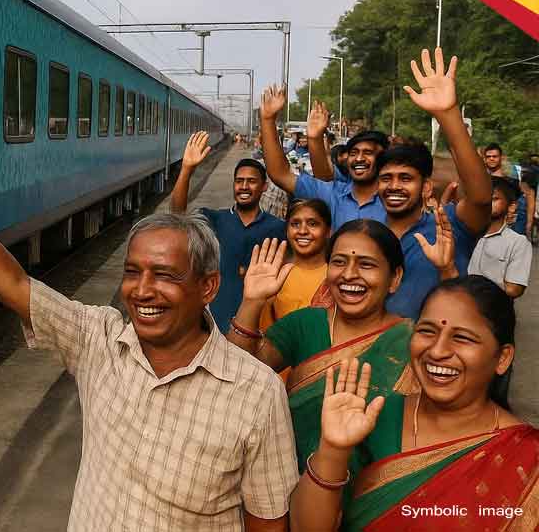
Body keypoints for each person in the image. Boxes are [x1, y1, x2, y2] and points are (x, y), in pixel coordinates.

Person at [0, 108, 297, 531]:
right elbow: (14, 284)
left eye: (165, 276)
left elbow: (268, 522)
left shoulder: (256, 393)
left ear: (207, 288)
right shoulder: (99, 341)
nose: (142, 290)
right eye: (133, 273)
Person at [288, 276, 536, 531]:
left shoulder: (527, 459)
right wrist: (332, 449)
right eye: (427, 331)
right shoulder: (373, 417)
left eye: (462, 338)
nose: (438, 351)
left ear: (502, 358)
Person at [226, 220, 423, 472]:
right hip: (295, 486)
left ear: (394, 278)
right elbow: (236, 373)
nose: (349, 274)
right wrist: (252, 302)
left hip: (378, 495)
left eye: (366, 264)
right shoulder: (304, 324)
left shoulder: (415, 341)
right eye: (339, 262)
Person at [377, 49, 491, 321]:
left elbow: (481, 198)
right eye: (386, 178)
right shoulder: (368, 235)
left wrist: (448, 114)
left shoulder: (447, 228)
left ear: (427, 187)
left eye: (405, 178)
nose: (394, 186)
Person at [171, 131, 286, 331]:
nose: (244, 186)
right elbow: (177, 214)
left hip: (259, 330)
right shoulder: (214, 220)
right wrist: (187, 169)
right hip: (214, 328)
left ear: (264, 187)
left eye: (251, 181)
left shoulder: (278, 228)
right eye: (239, 181)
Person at [259, 86, 388, 228]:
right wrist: (267, 120)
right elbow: (280, 174)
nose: (359, 158)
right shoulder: (333, 195)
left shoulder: (394, 198)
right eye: (353, 153)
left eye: (368, 153)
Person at [257, 199, 333, 333]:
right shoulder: (275, 275)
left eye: (312, 224)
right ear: (287, 231)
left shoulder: (338, 274)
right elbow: (265, 333)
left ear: (328, 231)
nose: (302, 231)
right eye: (295, 224)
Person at [467, 177, 532, 298]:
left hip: (494, 311)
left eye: (494, 199)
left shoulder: (518, 242)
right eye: (484, 199)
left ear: (511, 206)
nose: (487, 203)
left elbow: (514, 289)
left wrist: (475, 285)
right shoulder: (467, 234)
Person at [483, 143, 530, 236]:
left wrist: (528, 222)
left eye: (494, 156)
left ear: (501, 158)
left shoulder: (512, 180)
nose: (491, 159)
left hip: (512, 225)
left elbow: (525, 199)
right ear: (484, 159)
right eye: (488, 156)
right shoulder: (482, 181)